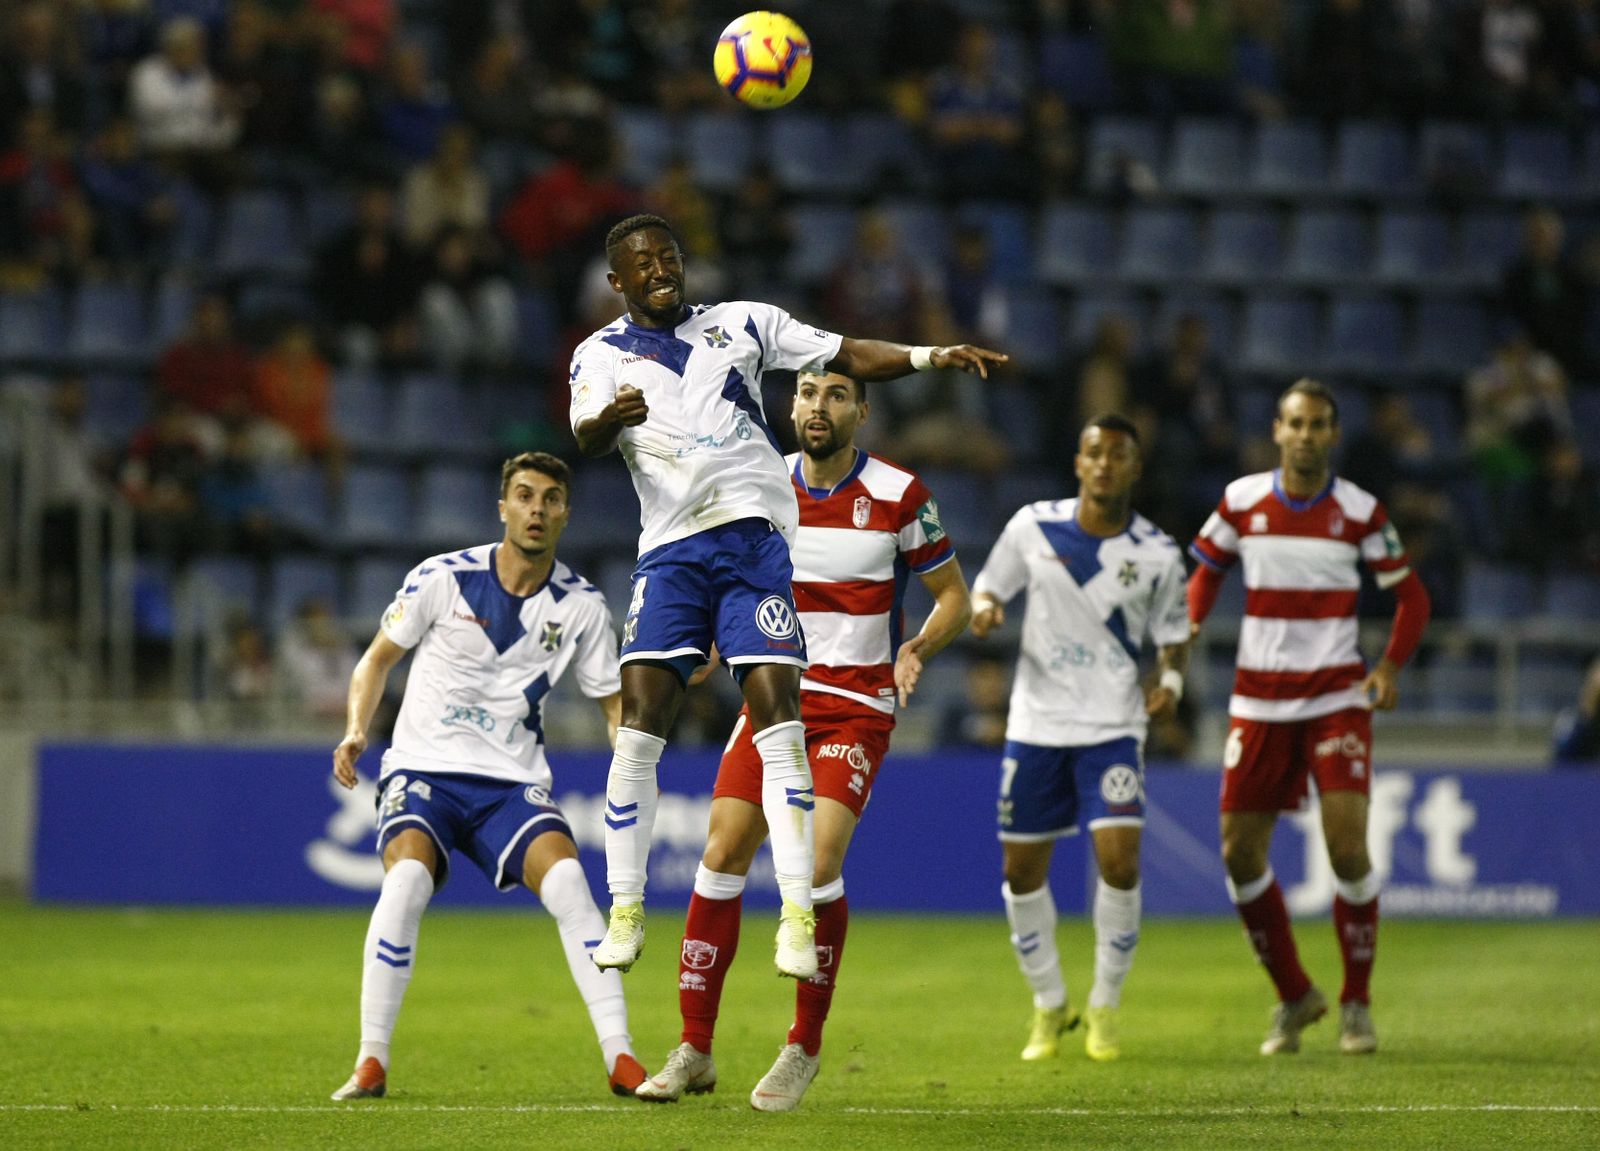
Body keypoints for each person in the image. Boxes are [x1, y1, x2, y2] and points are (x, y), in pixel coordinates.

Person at [569, 213, 1005, 985]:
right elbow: (585, 435)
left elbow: (848, 351)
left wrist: (933, 354)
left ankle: (797, 913)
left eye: (670, 255)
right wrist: (611, 416)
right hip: (669, 550)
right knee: (638, 727)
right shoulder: (597, 355)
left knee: (777, 715)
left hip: (749, 541)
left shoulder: (743, 323)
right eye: (644, 263)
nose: (662, 269)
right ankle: (627, 907)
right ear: (618, 282)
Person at [634, 368, 973, 1110]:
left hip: (854, 707)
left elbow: (955, 596)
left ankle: (804, 1044)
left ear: (862, 410)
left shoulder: (898, 495)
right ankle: (695, 1046)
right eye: (808, 392)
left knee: (815, 862)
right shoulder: (758, 483)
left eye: (836, 395)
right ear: (790, 405)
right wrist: (708, 641)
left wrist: (917, 647)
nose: (818, 406)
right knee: (721, 850)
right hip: (772, 700)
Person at [327, 451, 648, 1102]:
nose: (536, 509)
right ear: (502, 506)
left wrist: (629, 754)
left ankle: (623, 1058)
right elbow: (374, 661)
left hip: (511, 783)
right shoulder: (442, 578)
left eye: (550, 498)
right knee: (408, 879)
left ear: (565, 512)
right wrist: (358, 727)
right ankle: (371, 1059)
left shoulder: (583, 606)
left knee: (570, 887)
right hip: (426, 769)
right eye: (524, 496)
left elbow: (613, 703)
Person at [1188, 379, 1432, 1058]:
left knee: (1347, 847)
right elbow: (1205, 572)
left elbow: (1412, 598)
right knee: (1239, 853)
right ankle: (1296, 992)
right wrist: (1184, 630)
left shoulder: (1359, 511)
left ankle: (1357, 1000)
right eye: (1294, 422)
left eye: (1317, 424)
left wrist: (1385, 669)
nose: (1304, 434)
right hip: (1260, 698)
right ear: (1277, 429)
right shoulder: (1240, 501)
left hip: (1335, 698)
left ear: (1332, 435)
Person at [969, 413, 1192, 1064]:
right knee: (1020, 871)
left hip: (1114, 725)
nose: (1104, 464)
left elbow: (1173, 636)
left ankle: (1104, 1004)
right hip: (1037, 723)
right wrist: (985, 606)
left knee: (1120, 863)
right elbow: (989, 583)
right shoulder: (1034, 526)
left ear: (1134, 468)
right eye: (1094, 452)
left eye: (1117, 455)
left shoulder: (1157, 553)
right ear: (1078, 462)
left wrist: (1171, 684)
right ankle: (1049, 1002)